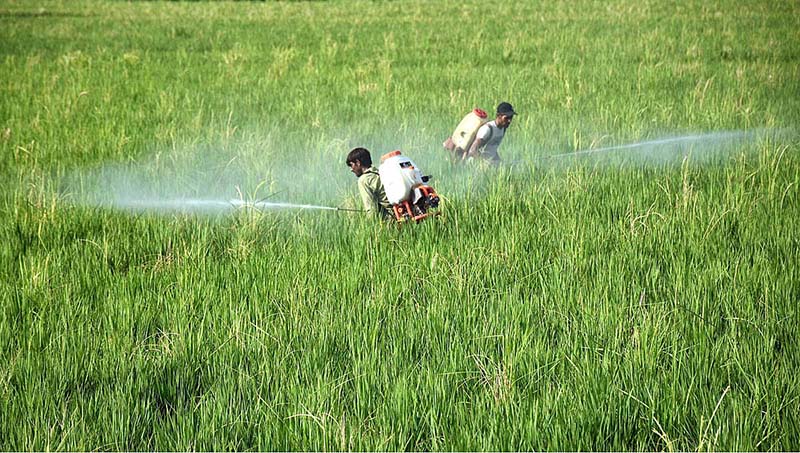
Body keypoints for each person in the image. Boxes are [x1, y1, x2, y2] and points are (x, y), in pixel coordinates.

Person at [345, 147, 393, 218]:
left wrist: (370, 227)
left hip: (392, 220)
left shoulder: (364, 180)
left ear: (358, 163)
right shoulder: (379, 172)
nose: (351, 169)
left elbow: (372, 210)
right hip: (404, 215)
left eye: (351, 165)